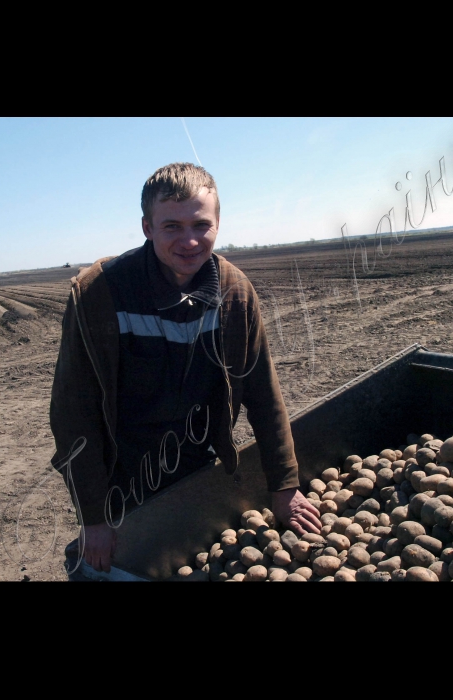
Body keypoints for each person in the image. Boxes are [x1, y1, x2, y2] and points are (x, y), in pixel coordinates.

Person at [50, 162, 321, 575]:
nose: (190, 240)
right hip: (123, 477)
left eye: (201, 224)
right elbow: (74, 414)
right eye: (172, 226)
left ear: (218, 224)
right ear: (147, 227)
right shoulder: (98, 294)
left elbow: (264, 394)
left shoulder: (235, 294)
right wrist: (93, 518)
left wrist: (284, 485)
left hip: (198, 463)